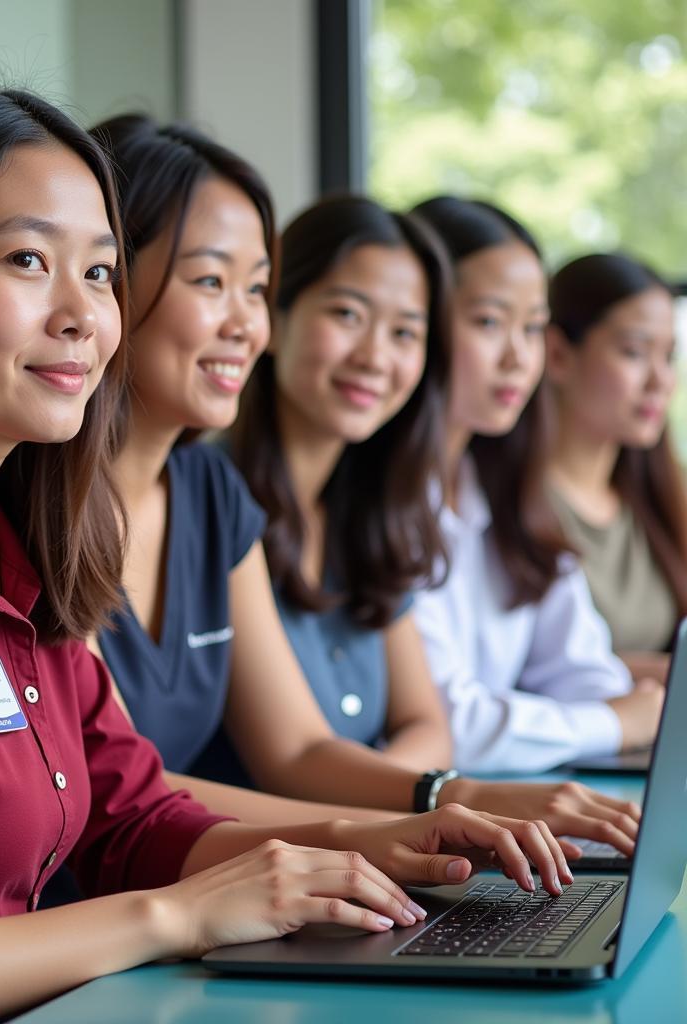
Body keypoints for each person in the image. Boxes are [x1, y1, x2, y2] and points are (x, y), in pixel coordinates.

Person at [0, 77, 576, 1023]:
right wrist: (172, 916)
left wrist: (382, 842)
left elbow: (125, 811)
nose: (82, 316)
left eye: (100, 273)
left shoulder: (10, 547)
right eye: (27, 260)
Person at [88, 114, 642, 847]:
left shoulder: (209, 496)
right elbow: (125, 792)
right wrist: (407, 822)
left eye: (253, 288)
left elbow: (300, 749)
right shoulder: (48, 498)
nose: (241, 322)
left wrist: (454, 801)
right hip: (143, 900)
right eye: (211, 281)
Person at [409, 197, 665, 775]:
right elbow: (451, 724)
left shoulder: (500, 488)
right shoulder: (389, 501)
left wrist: (637, 710)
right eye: (488, 323)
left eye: (531, 328)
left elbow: (579, 665)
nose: (519, 357)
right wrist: (614, 719)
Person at [228, 193, 452, 771]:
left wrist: (406, 811)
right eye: (348, 315)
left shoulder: (368, 509)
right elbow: (293, 765)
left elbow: (427, 724)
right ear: (273, 320)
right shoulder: (214, 499)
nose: (376, 357)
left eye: (405, 333)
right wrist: (424, 805)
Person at [545, 253, 687, 683]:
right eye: (634, 353)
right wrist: (668, 675)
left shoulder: (660, 496)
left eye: (669, 357)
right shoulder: (512, 506)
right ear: (557, 354)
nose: (660, 381)